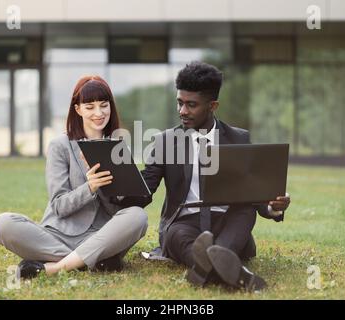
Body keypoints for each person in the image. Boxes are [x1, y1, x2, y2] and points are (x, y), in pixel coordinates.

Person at [116, 61, 290, 292]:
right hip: (185, 224)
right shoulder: (166, 141)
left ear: (213, 105)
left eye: (191, 105)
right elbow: (144, 190)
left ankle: (210, 265)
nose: (183, 111)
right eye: (179, 103)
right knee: (175, 234)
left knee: (245, 210)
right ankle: (231, 269)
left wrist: (274, 206)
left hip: (227, 223)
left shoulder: (237, 138)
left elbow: (254, 196)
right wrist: (119, 184)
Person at [0, 75, 148, 279]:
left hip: (101, 236)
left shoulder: (118, 147)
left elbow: (117, 211)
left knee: (137, 216)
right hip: (58, 236)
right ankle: (89, 261)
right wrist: (90, 187)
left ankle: (56, 268)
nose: (99, 113)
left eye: (104, 105)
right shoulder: (60, 146)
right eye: (90, 107)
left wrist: (116, 190)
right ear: (78, 109)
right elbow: (59, 206)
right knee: (4, 223)